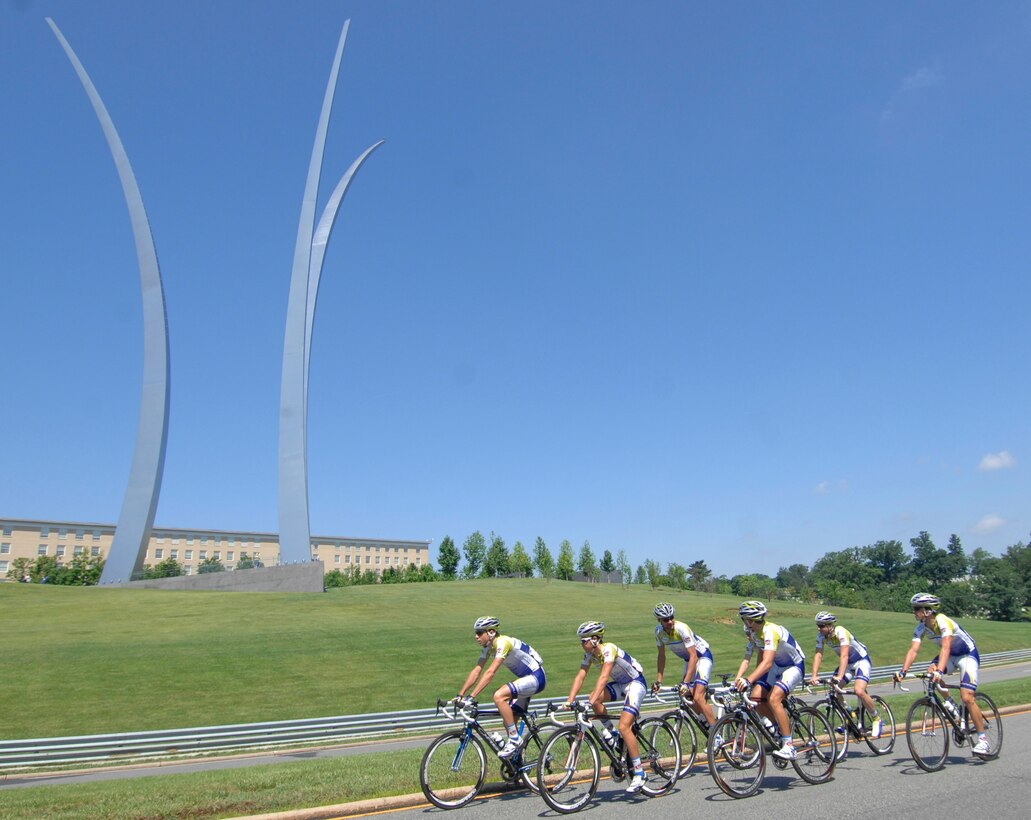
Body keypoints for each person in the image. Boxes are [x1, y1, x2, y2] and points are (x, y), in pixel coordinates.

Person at [893, 592, 991, 755]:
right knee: (930, 673)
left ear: (928, 610)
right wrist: (903, 671)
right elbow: (913, 650)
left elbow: (945, 647)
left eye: (917, 608)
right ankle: (950, 703)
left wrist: (940, 670)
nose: (914, 612)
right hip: (951, 655)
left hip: (967, 654)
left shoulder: (943, 622)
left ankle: (983, 740)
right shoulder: (921, 627)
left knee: (967, 697)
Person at [566, 621, 650, 795]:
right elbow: (580, 676)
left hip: (635, 683)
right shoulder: (590, 655)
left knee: (624, 726)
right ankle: (612, 735)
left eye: (584, 640)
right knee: (594, 699)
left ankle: (639, 773)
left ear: (595, 639)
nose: (581, 643)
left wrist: (590, 701)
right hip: (620, 684)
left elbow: (604, 677)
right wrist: (569, 700)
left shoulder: (608, 649)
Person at [455, 616, 546, 759]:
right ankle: (518, 761)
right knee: (509, 718)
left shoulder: (503, 643)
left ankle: (515, 740)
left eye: (479, 633)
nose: (476, 637)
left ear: (491, 632)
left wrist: (472, 697)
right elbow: (477, 670)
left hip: (536, 677)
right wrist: (460, 694)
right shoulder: (488, 647)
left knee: (499, 696)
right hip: (525, 679)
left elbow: (490, 672)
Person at [734, 600, 806, 760]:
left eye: (744, 619)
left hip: (793, 666)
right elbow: (761, 657)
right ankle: (779, 728)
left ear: (750, 620)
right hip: (776, 666)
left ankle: (789, 746)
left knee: (773, 699)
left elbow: (766, 662)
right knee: (755, 698)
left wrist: (749, 679)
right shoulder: (754, 634)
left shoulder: (770, 631)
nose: (744, 622)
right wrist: (753, 680)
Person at [808, 611, 884, 738]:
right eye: (818, 625)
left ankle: (877, 718)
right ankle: (850, 715)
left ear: (830, 626)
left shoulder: (840, 632)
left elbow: (844, 655)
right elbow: (818, 655)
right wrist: (814, 675)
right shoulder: (821, 637)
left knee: (859, 691)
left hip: (861, 662)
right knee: (835, 689)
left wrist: (839, 676)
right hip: (848, 665)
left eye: (821, 626)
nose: (818, 628)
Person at [651, 602, 718, 730]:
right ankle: (707, 721)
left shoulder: (681, 628)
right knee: (686, 695)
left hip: (702, 657)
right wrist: (659, 681)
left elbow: (694, 655)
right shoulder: (658, 632)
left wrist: (686, 682)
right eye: (666, 619)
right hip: (689, 660)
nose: (670, 621)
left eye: (672, 617)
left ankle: (716, 733)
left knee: (697, 696)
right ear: (659, 620)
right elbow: (661, 656)